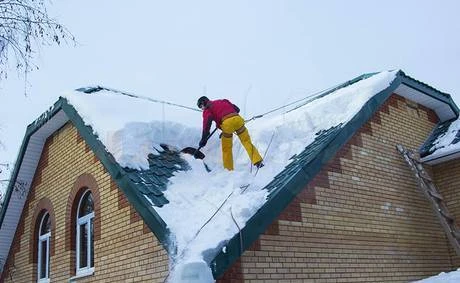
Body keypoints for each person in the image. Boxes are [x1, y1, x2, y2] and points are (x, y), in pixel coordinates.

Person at [197, 96, 264, 171]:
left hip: (227, 125)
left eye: (200, 106)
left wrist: (203, 139)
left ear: (203, 103)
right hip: (238, 120)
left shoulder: (207, 110)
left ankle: (228, 170)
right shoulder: (223, 101)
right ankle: (258, 161)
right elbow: (237, 109)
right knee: (246, 142)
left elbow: (207, 124)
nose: (202, 109)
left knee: (227, 149)